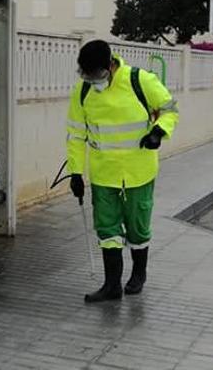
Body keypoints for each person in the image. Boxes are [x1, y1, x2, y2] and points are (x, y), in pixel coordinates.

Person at [66, 40, 179, 303]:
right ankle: (111, 285)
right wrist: (75, 172)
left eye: (95, 74)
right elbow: (75, 133)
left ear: (110, 66)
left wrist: (158, 132)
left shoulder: (140, 80)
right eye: (86, 74)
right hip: (104, 174)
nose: (92, 80)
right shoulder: (83, 91)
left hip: (138, 173)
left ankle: (139, 274)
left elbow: (170, 108)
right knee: (107, 230)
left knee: (137, 228)